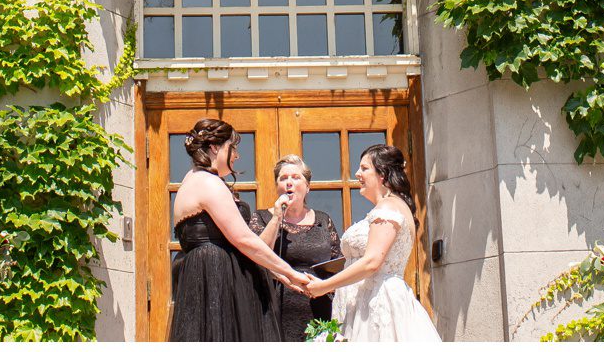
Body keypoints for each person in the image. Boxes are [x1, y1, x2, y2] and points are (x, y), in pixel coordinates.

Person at [171, 118, 312, 340]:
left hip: (210, 275)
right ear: (215, 148)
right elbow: (243, 239)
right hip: (215, 280)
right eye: (232, 147)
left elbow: (235, 244)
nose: (236, 155)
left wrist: (278, 273)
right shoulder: (207, 183)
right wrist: (290, 272)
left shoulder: (192, 180)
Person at [304, 143, 439, 342]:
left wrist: (324, 286)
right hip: (366, 301)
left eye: (365, 168)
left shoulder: (388, 208)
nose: (357, 173)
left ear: (382, 174)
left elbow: (372, 262)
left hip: (376, 304)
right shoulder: (394, 206)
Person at [251, 154, 341, 339]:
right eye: (283, 178)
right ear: (277, 187)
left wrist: (328, 286)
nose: (289, 183)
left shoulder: (323, 220)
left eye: (295, 177)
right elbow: (257, 254)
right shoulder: (262, 218)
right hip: (274, 310)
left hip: (319, 311)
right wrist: (277, 217)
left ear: (307, 186)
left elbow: (336, 263)